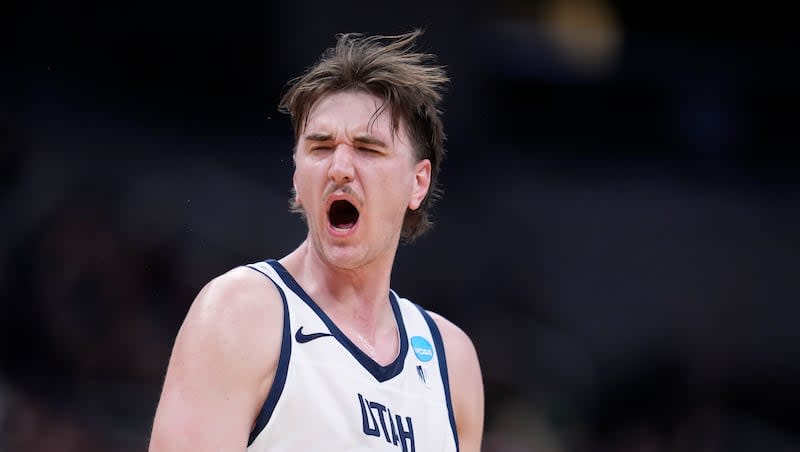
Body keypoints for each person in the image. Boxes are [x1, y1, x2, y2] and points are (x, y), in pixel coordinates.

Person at [148, 30, 484, 451]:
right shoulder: (241, 314)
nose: (340, 167)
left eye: (367, 148)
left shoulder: (452, 362)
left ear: (418, 183)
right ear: (296, 175)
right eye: (321, 147)